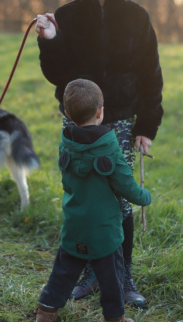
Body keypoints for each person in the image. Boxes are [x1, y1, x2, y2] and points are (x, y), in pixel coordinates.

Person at [35, 0, 163, 308]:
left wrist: (146, 127)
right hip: (77, 123)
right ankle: (91, 274)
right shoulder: (69, 15)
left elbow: (151, 74)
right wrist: (51, 39)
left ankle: (122, 279)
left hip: (120, 121)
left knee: (118, 203)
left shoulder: (137, 17)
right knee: (85, 198)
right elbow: (57, 73)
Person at [35, 79, 151, 322]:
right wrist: (144, 197)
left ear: (67, 113)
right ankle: (115, 318)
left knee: (63, 273)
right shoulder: (109, 148)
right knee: (112, 278)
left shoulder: (66, 143)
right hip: (104, 231)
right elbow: (126, 186)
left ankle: (46, 311)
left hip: (74, 226)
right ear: (101, 112)